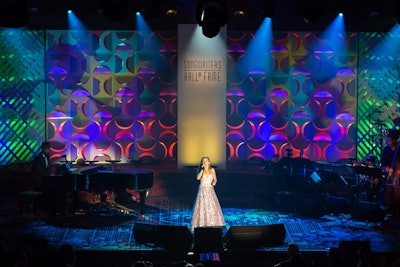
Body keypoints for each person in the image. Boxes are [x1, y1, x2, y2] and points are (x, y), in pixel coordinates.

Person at [190, 156, 226, 233]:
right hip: (202, 190)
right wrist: (202, 170)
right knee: (202, 206)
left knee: (211, 206)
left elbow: (215, 179)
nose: (205, 162)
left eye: (206, 161)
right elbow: (198, 178)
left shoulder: (212, 170)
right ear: (202, 163)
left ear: (209, 162)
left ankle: (212, 223)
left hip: (209, 189)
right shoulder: (201, 171)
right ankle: (202, 223)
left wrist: (214, 183)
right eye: (204, 161)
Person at [381, 129, 400, 217]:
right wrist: (386, 167)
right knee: (386, 187)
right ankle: (387, 207)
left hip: (397, 174)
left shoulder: (398, 149)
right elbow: (383, 160)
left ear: (395, 140)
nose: (388, 142)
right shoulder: (386, 149)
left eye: (390, 140)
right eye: (387, 140)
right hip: (389, 173)